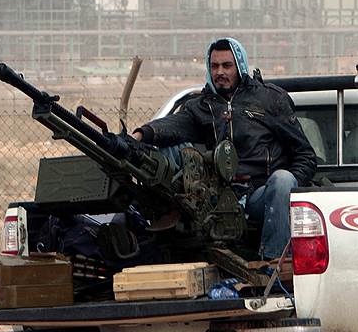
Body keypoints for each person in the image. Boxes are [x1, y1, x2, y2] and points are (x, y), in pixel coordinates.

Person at [132, 38, 317, 259]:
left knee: (283, 179)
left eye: (227, 65)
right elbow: (172, 126)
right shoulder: (202, 106)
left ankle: (273, 261)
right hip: (215, 198)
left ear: (240, 65)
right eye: (214, 66)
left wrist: (287, 195)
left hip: (259, 195)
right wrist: (140, 135)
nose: (220, 72)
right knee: (166, 149)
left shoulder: (270, 99)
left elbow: (305, 156)